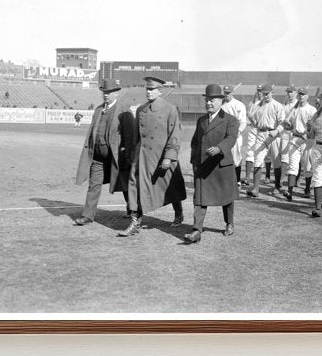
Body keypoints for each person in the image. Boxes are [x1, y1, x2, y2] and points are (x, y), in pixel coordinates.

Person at [118, 76, 187, 237]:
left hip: (161, 156)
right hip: (142, 157)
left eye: (152, 89)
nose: (148, 92)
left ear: (160, 91)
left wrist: (168, 157)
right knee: (135, 186)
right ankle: (135, 221)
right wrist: (132, 155)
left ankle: (178, 212)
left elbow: (175, 135)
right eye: (147, 89)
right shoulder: (141, 109)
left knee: (171, 187)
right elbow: (136, 135)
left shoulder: (170, 109)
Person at [185, 84, 240, 243]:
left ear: (221, 101)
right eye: (207, 100)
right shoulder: (201, 120)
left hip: (222, 164)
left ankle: (229, 223)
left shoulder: (230, 119)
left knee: (227, 197)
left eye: (213, 100)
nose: (209, 103)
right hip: (203, 166)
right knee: (200, 199)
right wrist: (194, 161)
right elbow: (195, 142)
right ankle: (196, 230)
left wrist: (219, 148)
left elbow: (231, 138)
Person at [73, 78, 132, 226]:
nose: (106, 95)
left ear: (117, 93)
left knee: (124, 184)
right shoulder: (99, 110)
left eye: (110, 92)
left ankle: (132, 210)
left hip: (117, 157)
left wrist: (126, 154)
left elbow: (130, 136)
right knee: (94, 185)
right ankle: (88, 215)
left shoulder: (124, 109)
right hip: (98, 157)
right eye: (104, 92)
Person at [244, 84, 286, 198]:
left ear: (272, 93)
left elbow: (283, 123)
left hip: (273, 134)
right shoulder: (258, 105)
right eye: (264, 94)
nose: (266, 96)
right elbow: (254, 120)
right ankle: (255, 189)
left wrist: (277, 131)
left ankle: (277, 186)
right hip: (261, 133)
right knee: (257, 159)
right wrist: (252, 119)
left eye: (267, 93)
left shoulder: (277, 105)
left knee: (276, 161)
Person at [279, 87, 316, 202]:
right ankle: (289, 191)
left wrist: (308, 133)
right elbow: (290, 126)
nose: (301, 96)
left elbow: (315, 128)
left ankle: (307, 189)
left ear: (307, 96)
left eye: (303, 94)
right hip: (295, 138)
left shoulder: (312, 110)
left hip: (307, 141)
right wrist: (287, 124)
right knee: (293, 165)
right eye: (300, 94)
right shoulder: (294, 109)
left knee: (307, 166)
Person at [221, 84, 248, 184]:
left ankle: (237, 180)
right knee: (223, 156)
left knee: (236, 157)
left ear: (233, 93)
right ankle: (225, 179)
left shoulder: (239, 105)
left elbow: (243, 121)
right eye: (225, 93)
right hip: (223, 135)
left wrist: (239, 131)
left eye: (228, 93)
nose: (226, 95)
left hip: (235, 134)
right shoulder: (221, 105)